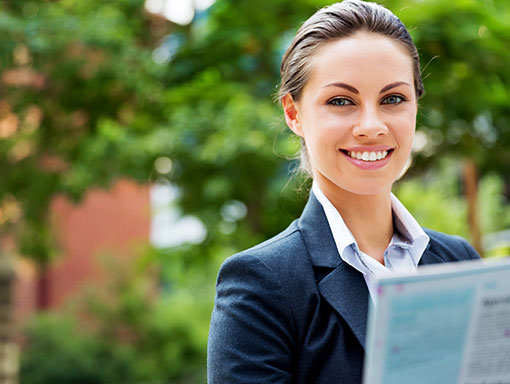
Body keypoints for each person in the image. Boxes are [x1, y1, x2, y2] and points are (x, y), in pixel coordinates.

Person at [207, 1, 480, 383]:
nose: (371, 126)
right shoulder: (261, 285)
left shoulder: (458, 262)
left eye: (393, 99)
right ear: (294, 113)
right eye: (341, 101)